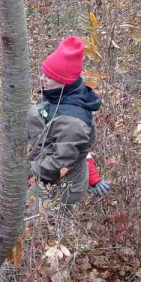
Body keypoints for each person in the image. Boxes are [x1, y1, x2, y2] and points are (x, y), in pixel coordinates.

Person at [27, 36, 108, 207]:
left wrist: (19, 175)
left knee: (36, 220)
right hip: (43, 174)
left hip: (61, 187)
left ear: (62, 81)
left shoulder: (73, 119)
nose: (42, 78)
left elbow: (59, 164)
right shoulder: (56, 97)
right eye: (43, 73)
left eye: (48, 76)